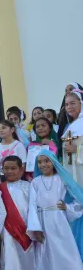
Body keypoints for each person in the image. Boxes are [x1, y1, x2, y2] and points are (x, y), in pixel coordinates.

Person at [27, 150, 83, 270]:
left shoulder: (62, 179)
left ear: (54, 162)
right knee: (45, 256)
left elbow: (78, 200)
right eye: (40, 162)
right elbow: (31, 206)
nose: (43, 164)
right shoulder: (35, 182)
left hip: (58, 221)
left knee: (66, 255)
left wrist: (68, 207)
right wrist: (35, 228)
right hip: (41, 221)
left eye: (47, 161)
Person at [0, 156, 35, 270]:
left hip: (25, 227)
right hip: (8, 228)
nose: (9, 171)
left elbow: (32, 208)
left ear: (21, 170)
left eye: (13, 168)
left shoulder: (28, 186)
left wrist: (33, 226)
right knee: (11, 256)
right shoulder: (0, 188)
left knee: (26, 256)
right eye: (6, 168)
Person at [60, 89, 83, 260]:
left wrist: (78, 149)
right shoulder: (69, 127)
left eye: (73, 103)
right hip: (72, 179)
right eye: (66, 104)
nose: (69, 107)